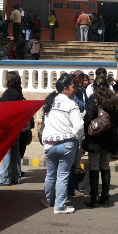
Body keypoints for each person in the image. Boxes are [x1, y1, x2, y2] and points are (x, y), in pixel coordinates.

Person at [40, 75, 84, 214]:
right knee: (63, 175)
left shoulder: (49, 102)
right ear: (65, 89)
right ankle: (59, 206)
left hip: (49, 144)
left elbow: (44, 123)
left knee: (50, 174)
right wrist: (77, 138)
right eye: (73, 87)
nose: (75, 90)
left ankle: (47, 200)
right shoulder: (72, 105)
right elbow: (78, 127)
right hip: (67, 144)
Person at [83, 75, 118, 207]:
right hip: (108, 137)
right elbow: (116, 120)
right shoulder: (114, 99)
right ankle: (105, 195)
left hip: (95, 138)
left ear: (95, 87)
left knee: (93, 165)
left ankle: (94, 198)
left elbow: (89, 118)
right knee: (105, 165)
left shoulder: (93, 99)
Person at [0, 71, 25, 186]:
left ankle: (4, 178)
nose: (4, 80)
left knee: (6, 151)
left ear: (9, 81)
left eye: (6, 78)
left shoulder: (8, 93)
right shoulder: (18, 92)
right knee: (15, 151)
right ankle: (16, 177)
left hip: (8, 127)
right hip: (16, 127)